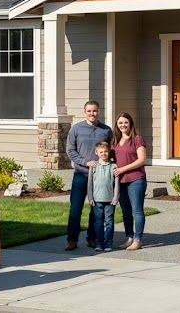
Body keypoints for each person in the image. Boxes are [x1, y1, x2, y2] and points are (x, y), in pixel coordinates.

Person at [65, 100, 112, 251]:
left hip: (99, 177)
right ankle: (72, 239)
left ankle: (92, 238)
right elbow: (70, 151)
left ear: (99, 111)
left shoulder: (106, 130)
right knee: (75, 209)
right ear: (84, 112)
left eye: (95, 111)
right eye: (89, 111)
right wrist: (85, 162)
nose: (92, 114)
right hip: (81, 174)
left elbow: (111, 151)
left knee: (96, 209)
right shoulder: (76, 129)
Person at [112, 112, 147, 251]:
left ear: (130, 123)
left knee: (137, 210)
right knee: (126, 211)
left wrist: (122, 169)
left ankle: (138, 240)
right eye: (120, 123)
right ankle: (130, 238)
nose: (123, 125)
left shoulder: (137, 139)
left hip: (136, 179)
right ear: (117, 125)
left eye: (125, 122)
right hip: (121, 181)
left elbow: (141, 160)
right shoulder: (115, 141)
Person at [86, 141, 119, 252]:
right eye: (101, 152)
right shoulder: (93, 166)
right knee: (98, 222)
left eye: (106, 151)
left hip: (110, 200)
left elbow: (116, 184)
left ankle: (108, 243)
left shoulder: (113, 166)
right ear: (96, 152)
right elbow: (89, 183)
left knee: (109, 222)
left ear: (109, 152)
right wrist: (90, 197)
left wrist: (115, 197)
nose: (104, 154)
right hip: (96, 200)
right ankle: (99, 243)